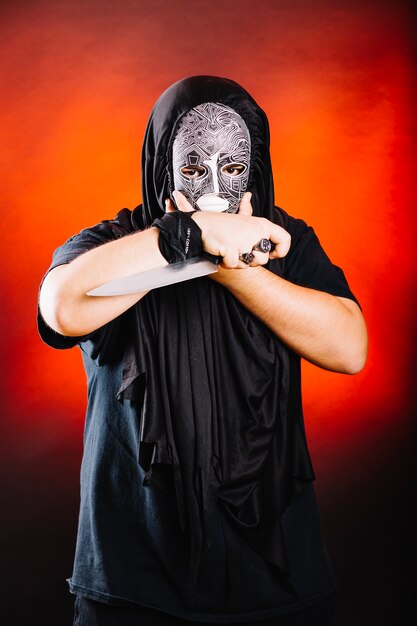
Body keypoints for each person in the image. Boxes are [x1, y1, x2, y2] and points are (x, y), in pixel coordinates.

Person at [37, 76, 367, 626]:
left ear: (255, 170)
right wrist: (184, 238)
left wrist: (232, 265)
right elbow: (61, 308)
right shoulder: (113, 244)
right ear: (163, 165)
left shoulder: (285, 240)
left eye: (233, 168)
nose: (214, 186)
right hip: (132, 586)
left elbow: (349, 347)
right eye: (193, 169)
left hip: (278, 584)